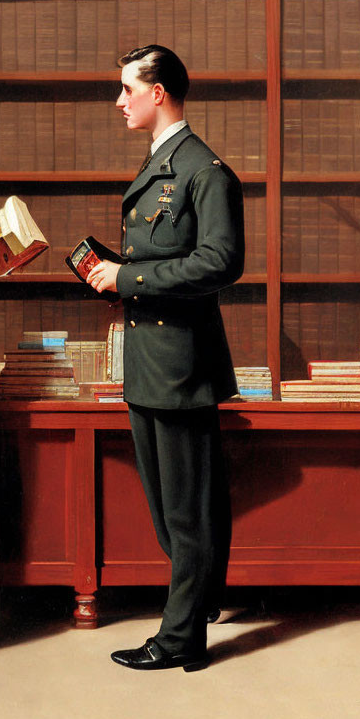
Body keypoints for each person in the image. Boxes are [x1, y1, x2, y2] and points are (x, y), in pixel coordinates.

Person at [86, 45, 245, 671]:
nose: (119, 101)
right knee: (169, 507)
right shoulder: (163, 162)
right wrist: (117, 274)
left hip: (180, 365)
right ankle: (197, 606)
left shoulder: (204, 170)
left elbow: (220, 262)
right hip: (152, 361)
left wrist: (126, 279)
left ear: (159, 93)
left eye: (128, 88)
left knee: (186, 511)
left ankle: (180, 639)